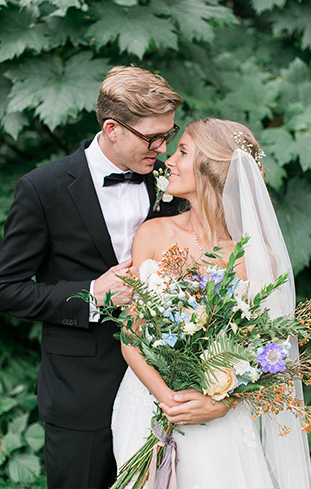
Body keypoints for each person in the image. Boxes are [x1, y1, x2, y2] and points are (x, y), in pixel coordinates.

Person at [0, 65, 183, 489]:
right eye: (152, 138)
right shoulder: (44, 189)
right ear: (112, 128)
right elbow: (4, 291)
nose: (163, 147)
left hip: (167, 383)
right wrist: (92, 294)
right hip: (81, 394)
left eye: (168, 134)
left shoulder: (172, 183)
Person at [112, 118, 311, 488]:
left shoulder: (256, 259)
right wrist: (169, 400)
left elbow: (268, 356)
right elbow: (130, 336)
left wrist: (222, 404)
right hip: (147, 405)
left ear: (214, 168)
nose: (168, 159)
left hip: (220, 417)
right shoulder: (154, 233)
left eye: (183, 151)